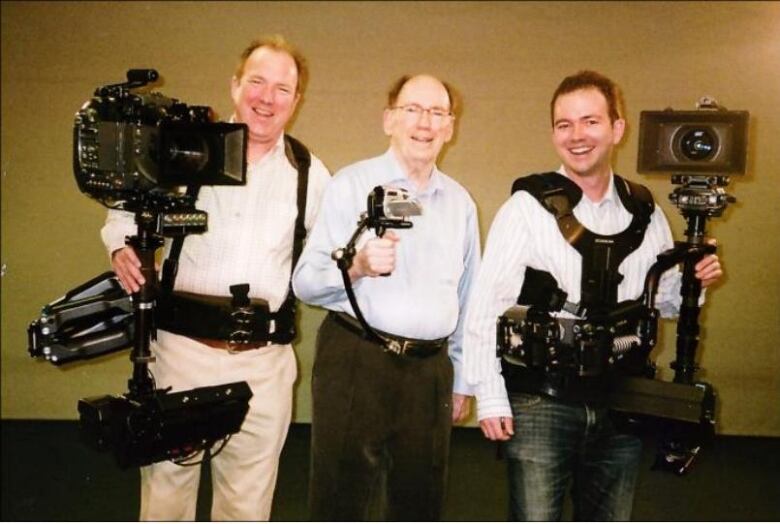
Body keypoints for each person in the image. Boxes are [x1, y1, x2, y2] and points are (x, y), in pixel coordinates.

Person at [463, 70, 723, 521]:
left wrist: (694, 281)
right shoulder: (527, 207)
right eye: (564, 125)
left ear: (617, 128)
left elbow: (661, 301)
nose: (577, 136)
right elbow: (486, 307)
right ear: (552, 134)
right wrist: (489, 395)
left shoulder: (644, 210)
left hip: (619, 400)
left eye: (590, 121)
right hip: (542, 400)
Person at [101, 35, 330, 521]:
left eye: (282, 89)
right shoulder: (181, 153)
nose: (267, 98)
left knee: (246, 506)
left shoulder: (310, 174)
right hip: (182, 356)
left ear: (297, 100)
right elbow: (122, 215)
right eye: (257, 82)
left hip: (264, 367)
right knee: (166, 499)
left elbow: (327, 259)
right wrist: (121, 246)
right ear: (234, 85)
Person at [292, 74, 480, 520]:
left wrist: (461, 379)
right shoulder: (351, 185)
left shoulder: (460, 204)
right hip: (357, 358)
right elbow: (305, 281)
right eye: (412, 109)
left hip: (430, 371)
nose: (425, 123)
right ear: (389, 119)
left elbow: (469, 297)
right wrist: (355, 266)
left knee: (420, 504)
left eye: (437, 113)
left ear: (451, 127)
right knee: (340, 502)